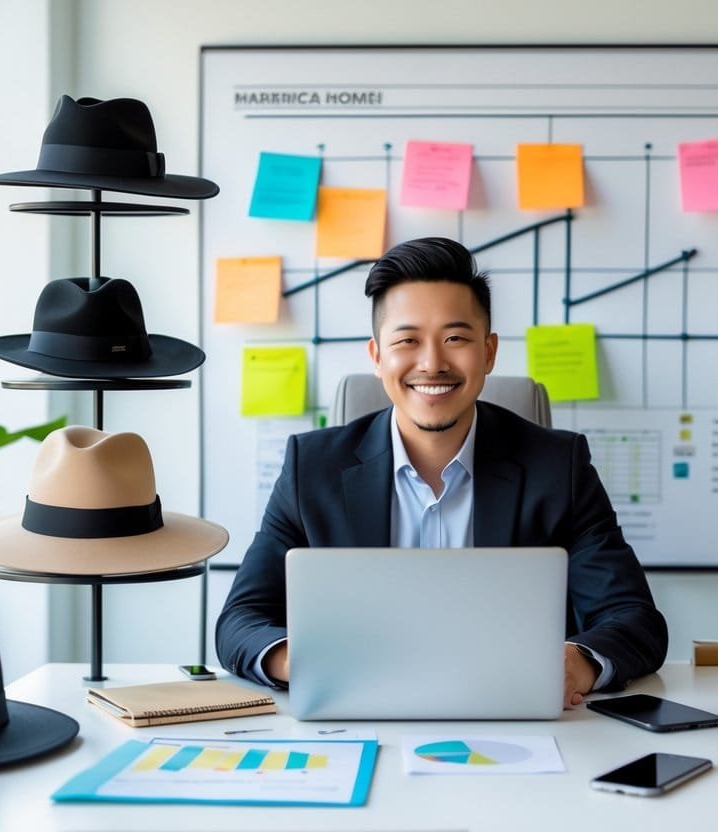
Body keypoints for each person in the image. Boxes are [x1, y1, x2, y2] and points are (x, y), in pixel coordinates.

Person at [216, 237, 668, 707]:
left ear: (489, 352)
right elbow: (241, 620)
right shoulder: (313, 469)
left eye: (456, 338)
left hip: (510, 715)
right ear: (376, 357)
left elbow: (635, 620)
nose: (432, 363)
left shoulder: (558, 467)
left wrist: (580, 662)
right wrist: (298, 660)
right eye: (407, 340)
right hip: (357, 713)